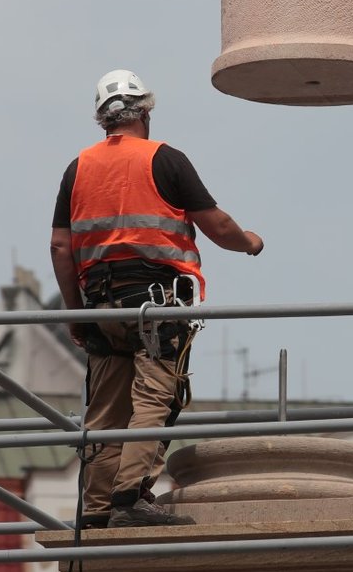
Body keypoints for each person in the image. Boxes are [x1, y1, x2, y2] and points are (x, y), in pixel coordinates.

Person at [50, 70, 264, 530]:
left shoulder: (78, 167)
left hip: (100, 303)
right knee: (155, 396)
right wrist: (250, 242)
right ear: (145, 111)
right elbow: (218, 226)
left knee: (105, 411)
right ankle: (129, 496)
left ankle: (96, 509)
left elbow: (60, 247)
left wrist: (75, 313)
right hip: (155, 301)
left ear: (102, 120)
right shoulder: (165, 160)